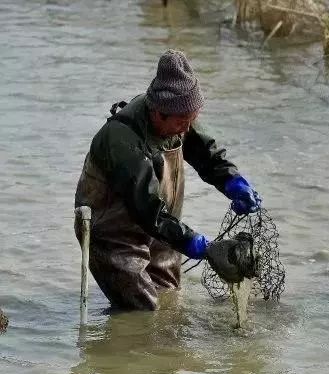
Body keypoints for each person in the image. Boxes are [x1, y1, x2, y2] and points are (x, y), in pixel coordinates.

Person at [74, 49, 262, 310]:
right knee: (142, 309)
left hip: (163, 231)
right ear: (157, 113)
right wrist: (197, 244)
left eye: (192, 119)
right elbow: (147, 209)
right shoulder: (122, 139)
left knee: (170, 299)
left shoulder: (179, 116)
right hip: (115, 235)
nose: (187, 129)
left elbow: (208, 155)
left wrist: (234, 182)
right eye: (182, 122)